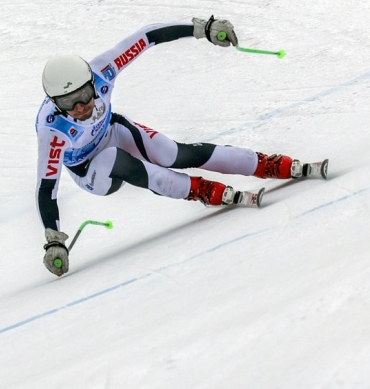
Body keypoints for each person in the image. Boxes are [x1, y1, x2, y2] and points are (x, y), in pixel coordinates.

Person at [36, 15, 325, 277]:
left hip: (112, 131)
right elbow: (47, 188)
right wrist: (53, 239)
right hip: (92, 172)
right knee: (118, 159)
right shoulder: (52, 129)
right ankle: (199, 189)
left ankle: (266, 164)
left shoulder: (103, 71)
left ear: (91, 81)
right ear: (55, 103)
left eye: (85, 94)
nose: (81, 107)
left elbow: (147, 36)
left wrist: (202, 29)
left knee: (173, 153)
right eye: (68, 103)